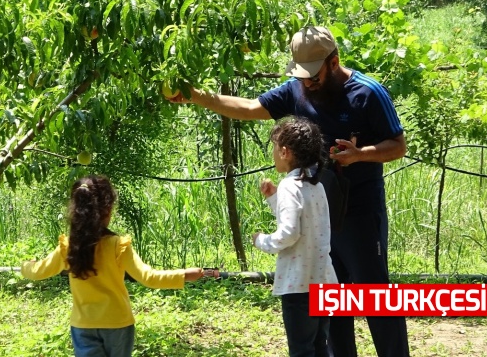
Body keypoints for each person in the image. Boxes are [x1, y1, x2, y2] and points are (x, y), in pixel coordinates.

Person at [169, 26, 410, 357]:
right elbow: (250, 108)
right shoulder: (298, 89)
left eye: (313, 75)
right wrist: (196, 95)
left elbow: (398, 146)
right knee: (332, 302)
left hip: (360, 214)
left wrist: (359, 155)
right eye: (301, 76)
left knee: (375, 297)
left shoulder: (368, 93)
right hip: (319, 220)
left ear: (334, 61)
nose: (307, 83)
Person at [21, 175, 204, 357]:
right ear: (107, 210)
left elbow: (38, 271)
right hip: (118, 324)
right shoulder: (117, 245)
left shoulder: (68, 247)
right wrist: (185, 274)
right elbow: (149, 277)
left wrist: (26, 266)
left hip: (83, 325)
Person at [252, 117, 338, 357]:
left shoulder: (291, 185)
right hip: (324, 281)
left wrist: (261, 240)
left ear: (285, 151)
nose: (273, 154)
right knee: (320, 347)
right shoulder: (314, 184)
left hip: (299, 286)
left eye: (274, 148)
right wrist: (273, 199)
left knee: (301, 350)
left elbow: (289, 233)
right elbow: (306, 222)